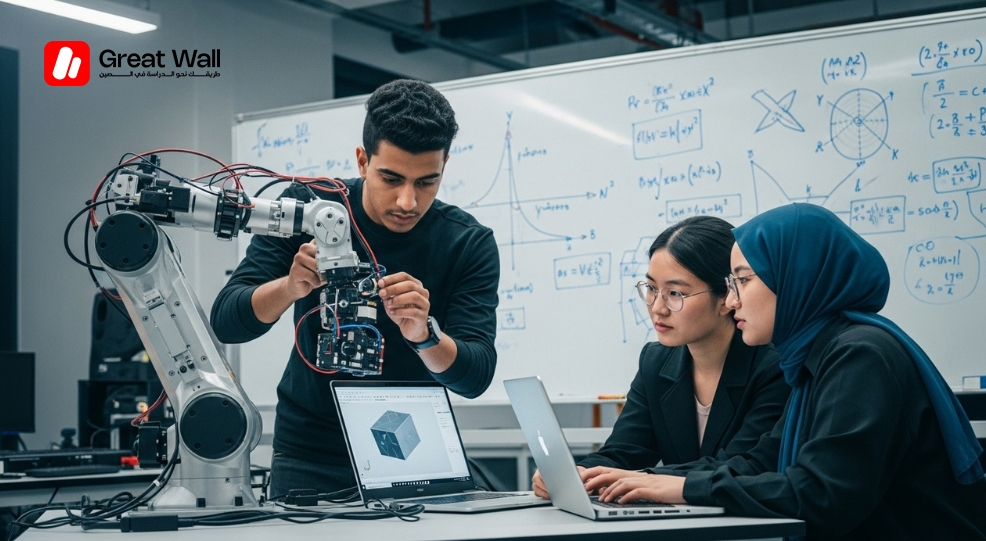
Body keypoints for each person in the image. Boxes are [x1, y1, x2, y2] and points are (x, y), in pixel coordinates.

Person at [591, 203, 986, 539]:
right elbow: (761, 460)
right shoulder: (814, 355)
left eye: (743, 281)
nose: (732, 299)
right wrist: (648, 481)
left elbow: (820, 495)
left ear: (794, 278)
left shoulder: (860, 356)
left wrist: (682, 488)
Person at [211, 79, 499, 497]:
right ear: (363, 161)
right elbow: (227, 322)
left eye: (426, 182)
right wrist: (290, 287)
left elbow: (474, 376)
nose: (407, 202)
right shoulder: (310, 207)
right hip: (310, 455)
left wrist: (424, 334)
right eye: (391, 178)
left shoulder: (467, 242)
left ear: (445, 166)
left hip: (415, 451)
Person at [532, 216, 789, 498]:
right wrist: (580, 474)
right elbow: (623, 452)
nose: (657, 308)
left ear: (726, 297)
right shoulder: (656, 362)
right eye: (652, 289)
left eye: (675, 293)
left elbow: (742, 467)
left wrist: (642, 480)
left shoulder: (774, 366)